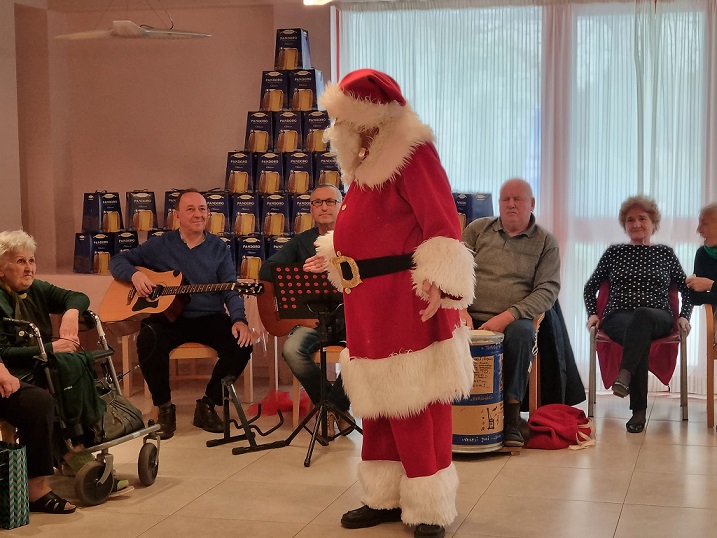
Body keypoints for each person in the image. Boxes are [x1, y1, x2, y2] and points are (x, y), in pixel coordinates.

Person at [305, 69, 475, 538]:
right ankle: (383, 495)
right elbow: (374, 228)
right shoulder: (364, 162)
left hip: (407, 297)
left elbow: (442, 221)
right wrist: (333, 253)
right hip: (367, 300)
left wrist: (442, 281)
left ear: (371, 117)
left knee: (415, 400)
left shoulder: (412, 153)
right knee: (378, 401)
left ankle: (427, 504)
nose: (340, 129)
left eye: (346, 118)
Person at [0, 229, 127, 514]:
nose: (29, 268)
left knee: (75, 374)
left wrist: (70, 312)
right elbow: (3, 352)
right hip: (13, 372)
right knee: (51, 392)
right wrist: (49, 348)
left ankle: (77, 453)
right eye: (20, 261)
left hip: (40, 366)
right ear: (1, 268)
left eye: (32, 261)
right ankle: (54, 474)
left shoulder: (35, 289)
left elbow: (77, 296)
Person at [109, 189, 253, 439]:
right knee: (148, 338)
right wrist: (135, 275)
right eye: (191, 209)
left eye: (202, 209)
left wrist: (239, 319)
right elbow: (117, 261)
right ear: (176, 215)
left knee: (241, 344)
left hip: (209, 316)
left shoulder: (219, 248)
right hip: (169, 318)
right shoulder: (159, 245)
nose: (198, 214)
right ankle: (164, 407)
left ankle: (208, 404)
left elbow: (231, 289)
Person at [460, 178, 561, 448]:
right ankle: (447, 416)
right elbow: (455, 273)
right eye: (506, 199)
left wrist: (507, 316)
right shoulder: (477, 230)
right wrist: (460, 308)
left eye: (518, 199)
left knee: (522, 333)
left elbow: (547, 291)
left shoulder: (545, 242)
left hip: (513, 319)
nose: (511, 204)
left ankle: (512, 418)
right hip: (468, 314)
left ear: (532, 204)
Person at [584, 195, 692, 433]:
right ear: (625, 225)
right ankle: (639, 411)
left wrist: (684, 315)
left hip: (658, 317)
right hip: (617, 317)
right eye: (630, 220)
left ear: (653, 222)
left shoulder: (665, 253)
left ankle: (625, 375)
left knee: (641, 317)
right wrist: (593, 313)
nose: (636, 224)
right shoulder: (615, 253)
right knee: (637, 334)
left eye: (642, 218)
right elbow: (590, 286)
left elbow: (687, 288)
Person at [258, 184, 354, 437]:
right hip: (313, 321)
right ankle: (336, 409)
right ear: (311, 208)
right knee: (291, 350)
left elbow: (371, 273)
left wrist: (333, 266)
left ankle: (334, 408)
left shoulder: (356, 237)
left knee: (366, 352)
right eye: (317, 202)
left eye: (330, 202)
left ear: (341, 205)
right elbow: (267, 270)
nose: (324, 207)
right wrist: (303, 269)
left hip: (351, 319)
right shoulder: (301, 242)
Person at [686, 202, 717, 305]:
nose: (698, 230)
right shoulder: (702, 254)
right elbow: (695, 298)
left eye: (704, 223)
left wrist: (711, 286)